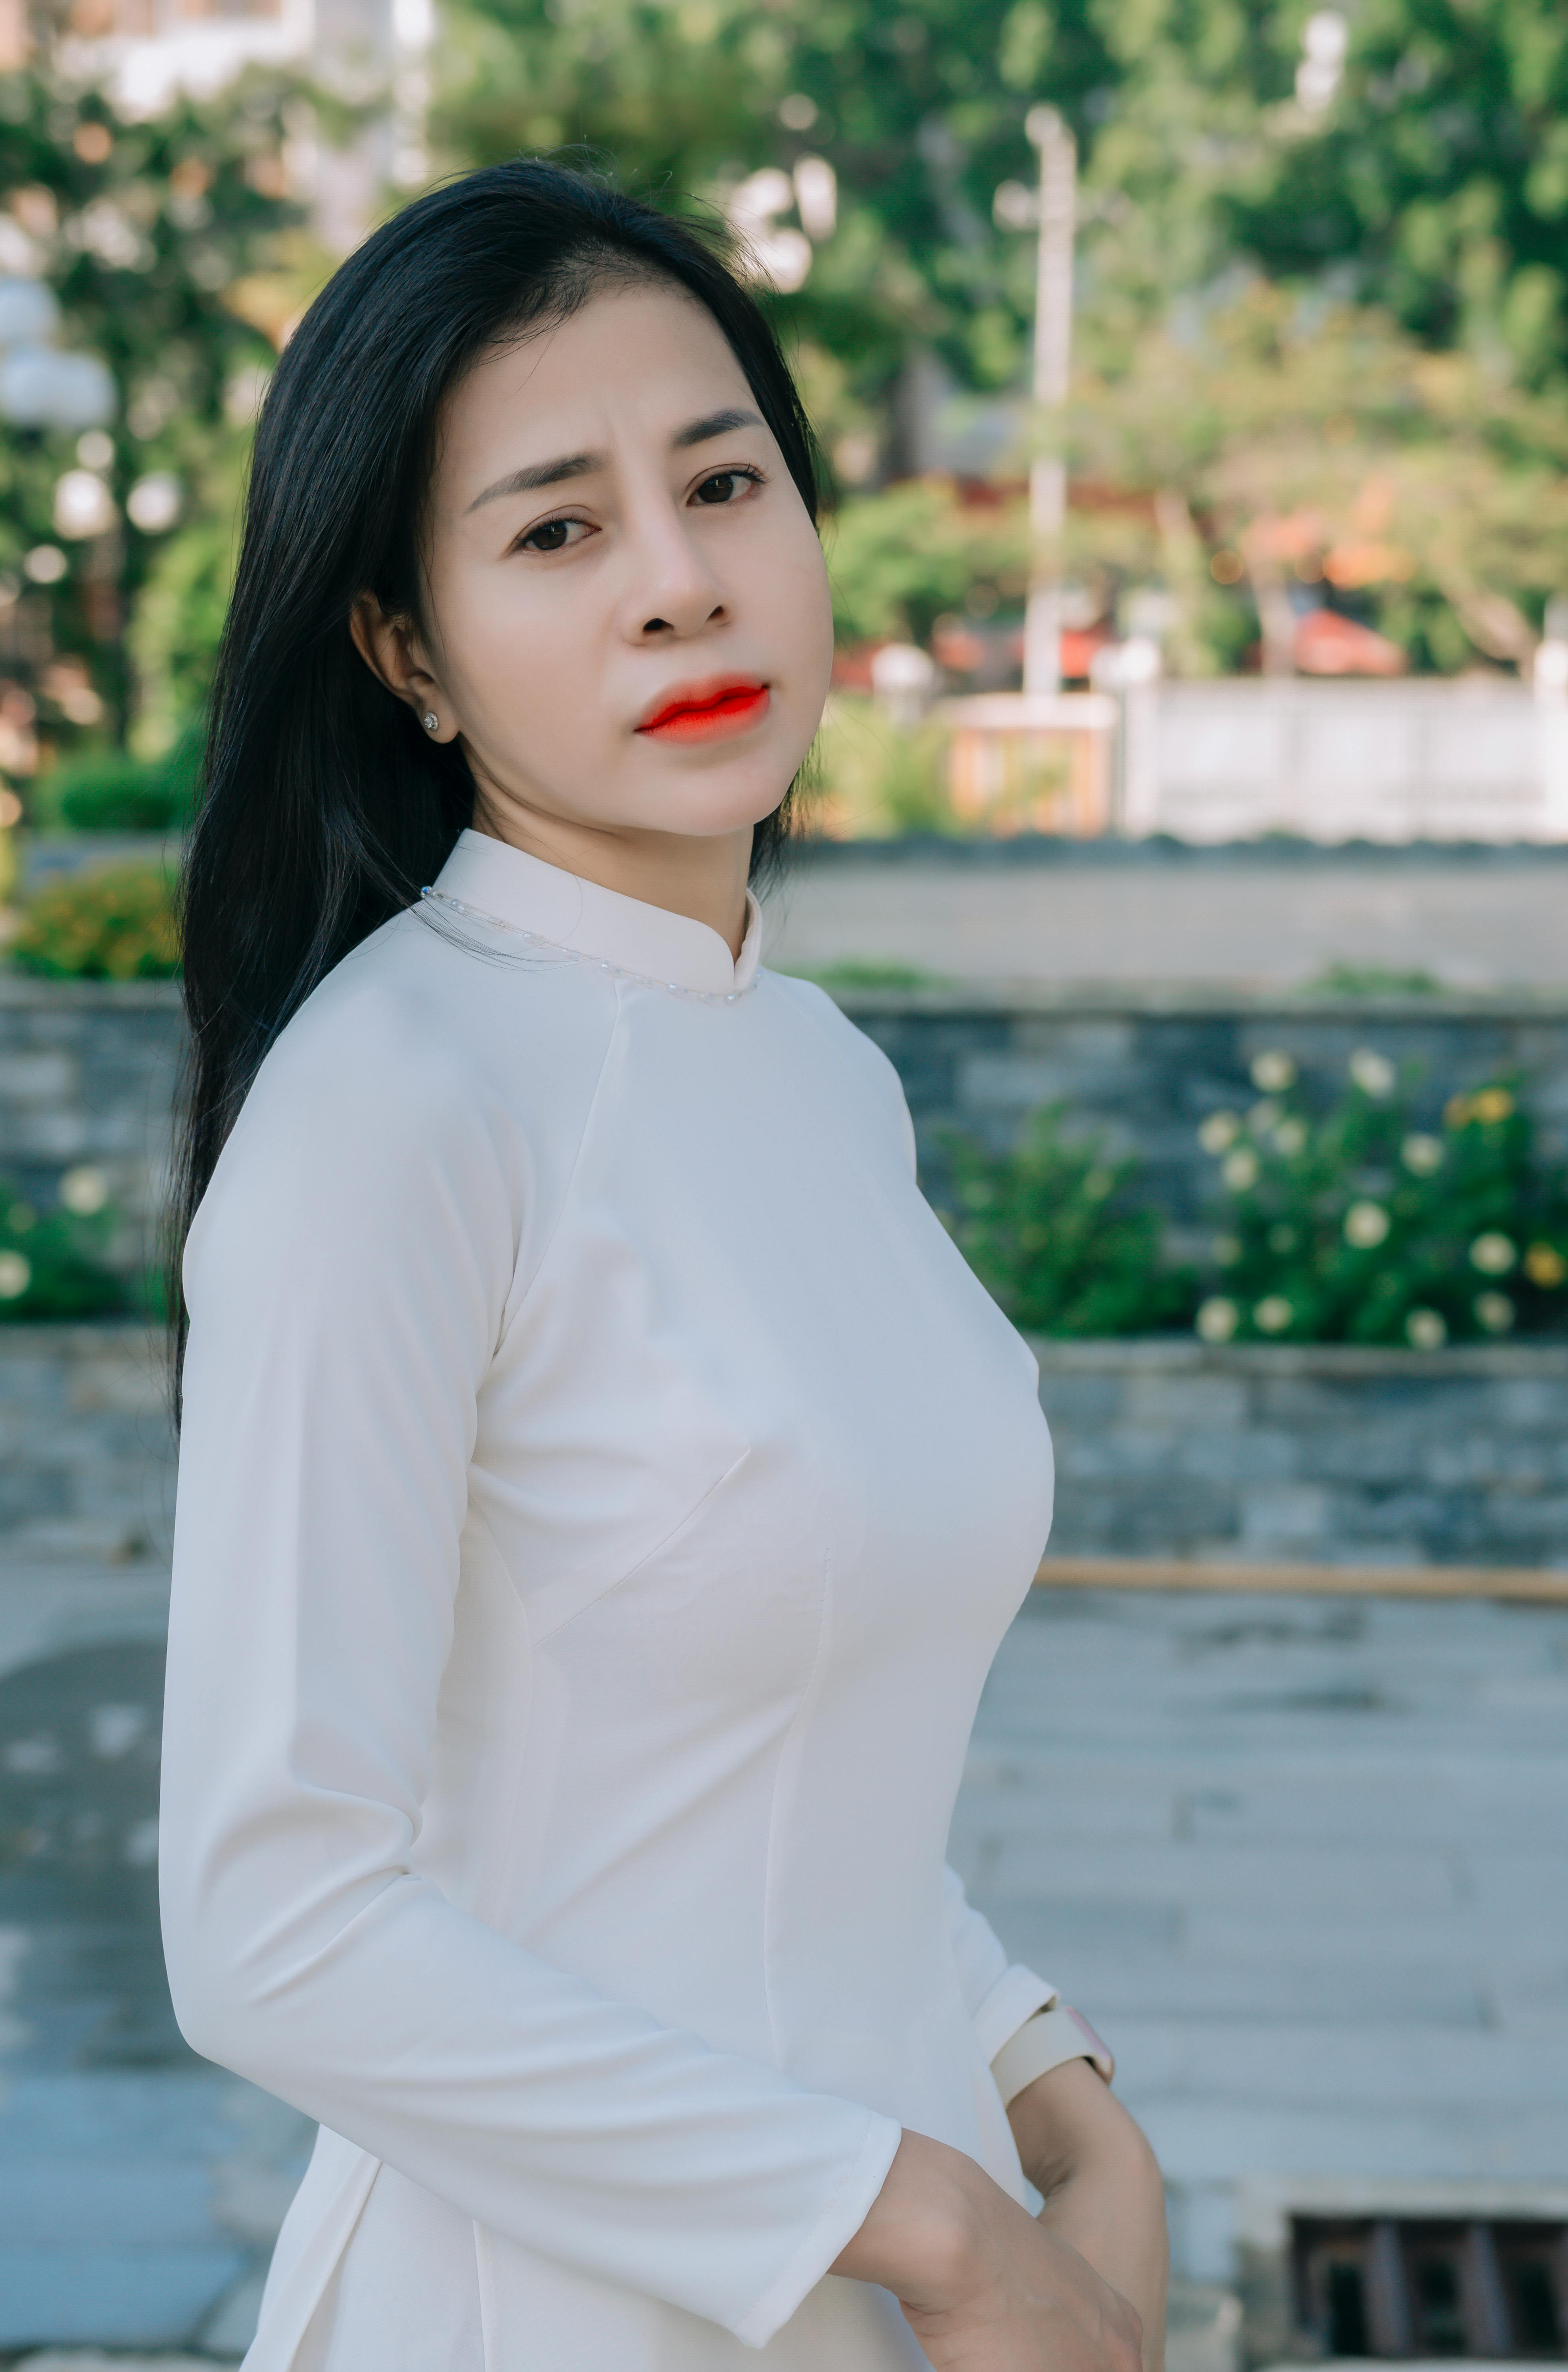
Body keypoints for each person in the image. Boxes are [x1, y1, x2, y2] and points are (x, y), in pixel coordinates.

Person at [158, 161, 1168, 2372]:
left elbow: (792, 1739)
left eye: (726, 485)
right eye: (556, 531)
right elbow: (268, 1925)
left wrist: (1064, 2100)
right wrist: (941, 2228)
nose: (682, 587)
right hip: (549, 2306)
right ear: (403, 650)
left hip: (895, 2270)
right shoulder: (397, 1106)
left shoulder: (811, 1068)